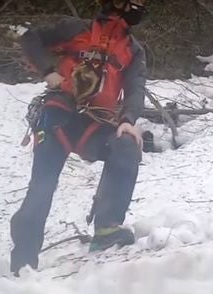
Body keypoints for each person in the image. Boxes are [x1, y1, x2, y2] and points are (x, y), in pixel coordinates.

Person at [9, 0, 148, 276]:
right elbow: (29, 37)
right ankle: (23, 261)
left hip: (94, 124)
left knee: (126, 145)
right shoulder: (75, 29)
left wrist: (127, 121)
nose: (136, 7)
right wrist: (49, 71)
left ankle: (107, 228)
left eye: (141, 4)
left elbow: (136, 88)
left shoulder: (134, 50)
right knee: (43, 184)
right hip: (58, 116)